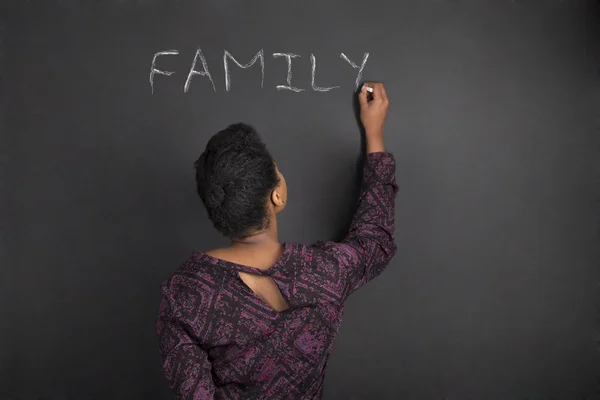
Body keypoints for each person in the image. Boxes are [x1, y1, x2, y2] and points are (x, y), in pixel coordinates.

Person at [156, 82, 397, 399]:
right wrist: (375, 135)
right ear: (277, 195)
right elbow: (374, 239)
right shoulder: (326, 272)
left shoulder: (185, 293)